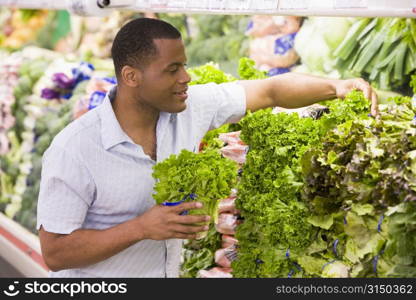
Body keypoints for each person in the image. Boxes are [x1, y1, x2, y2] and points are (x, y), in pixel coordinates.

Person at [37, 17, 378, 278]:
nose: (186, 77)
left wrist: (337, 86)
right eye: (172, 69)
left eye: (184, 65)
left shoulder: (189, 108)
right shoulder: (74, 149)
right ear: (131, 77)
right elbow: (55, 252)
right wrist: (141, 228)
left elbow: (271, 91)